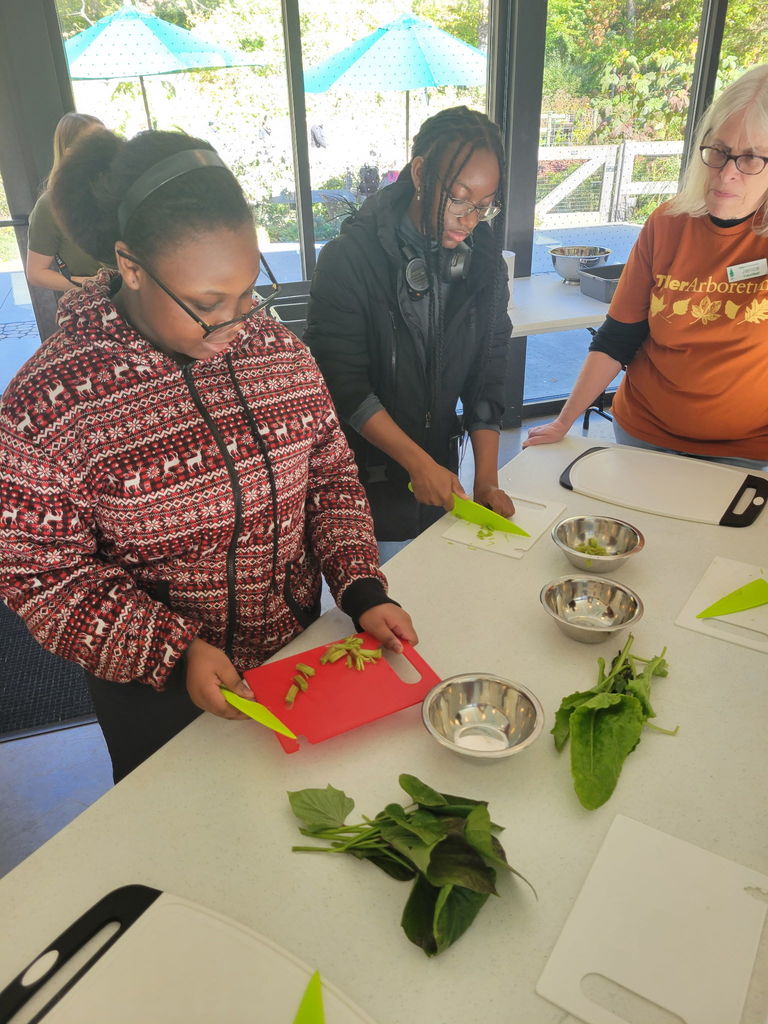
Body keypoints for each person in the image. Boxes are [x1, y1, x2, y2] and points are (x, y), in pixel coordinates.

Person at [0, 128, 416, 783]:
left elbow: (331, 478)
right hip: (156, 697)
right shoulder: (47, 406)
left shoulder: (279, 353)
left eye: (249, 291)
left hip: (294, 661)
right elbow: (45, 580)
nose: (238, 326)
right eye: (206, 305)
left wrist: (361, 586)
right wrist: (172, 651)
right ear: (130, 265)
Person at [525, 64, 768, 470]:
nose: (727, 172)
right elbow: (618, 337)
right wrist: (563, 421)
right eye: (720, 151)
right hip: (643, 432)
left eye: (750, 158)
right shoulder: (668, 222)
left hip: (742, 451)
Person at [304, 106, 515, 558]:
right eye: (460, 198)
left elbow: (488, 375)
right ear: (420, 173)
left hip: (443, 482)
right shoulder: (349, 260)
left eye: (484, 204)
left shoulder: (483, 265)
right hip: (364, 488)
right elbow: (344, 385)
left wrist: (487, 479)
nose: (470, 219)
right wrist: (417, 463)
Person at [26, 112, 105, 292]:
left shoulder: (118, 192)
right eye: (96, 146)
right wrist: (90, 284)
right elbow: (36, 273)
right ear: (71, 154)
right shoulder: (50, 205)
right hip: (101, 309)